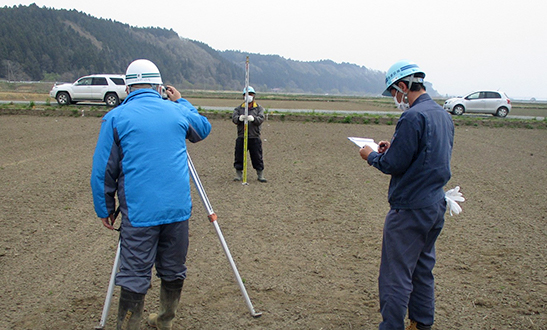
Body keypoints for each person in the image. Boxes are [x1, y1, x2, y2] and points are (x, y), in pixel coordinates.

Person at [90, 59, 211, 330]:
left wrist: (105, 208)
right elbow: (203, 128)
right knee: (173, 267)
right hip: (177, 209)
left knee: (134, 273)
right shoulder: (176, 111)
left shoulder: (116, 117)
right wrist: (181, 101)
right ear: (159, 85)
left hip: (140, 211)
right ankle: (165, 320)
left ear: (128, 86)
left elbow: (103, 171)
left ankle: (129, 326)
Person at [359, 60, 454, 330]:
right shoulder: (442, 115)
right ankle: (421, 323)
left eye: (393, 93)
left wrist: (372, 156)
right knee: (422, 270)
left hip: (409, 209)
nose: (394, 99)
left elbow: (393, 165)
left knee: (395, 274)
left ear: (403, 86)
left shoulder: (412, 116)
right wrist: (393, 147)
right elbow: (428, 154)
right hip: (435, 205)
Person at [232, 86, 267, 182]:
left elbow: (261, 119)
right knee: (239, 156)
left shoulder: (258, 108)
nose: (248, 96)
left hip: (254, 136)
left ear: (254, 96)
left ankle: (260, 175)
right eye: (246, 94)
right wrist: (239, 118)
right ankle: (239, 174)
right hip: (242, 136)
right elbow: (234, 118)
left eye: (250, 94)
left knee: (257, 156)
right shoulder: (239, 108)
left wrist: (254, 119)